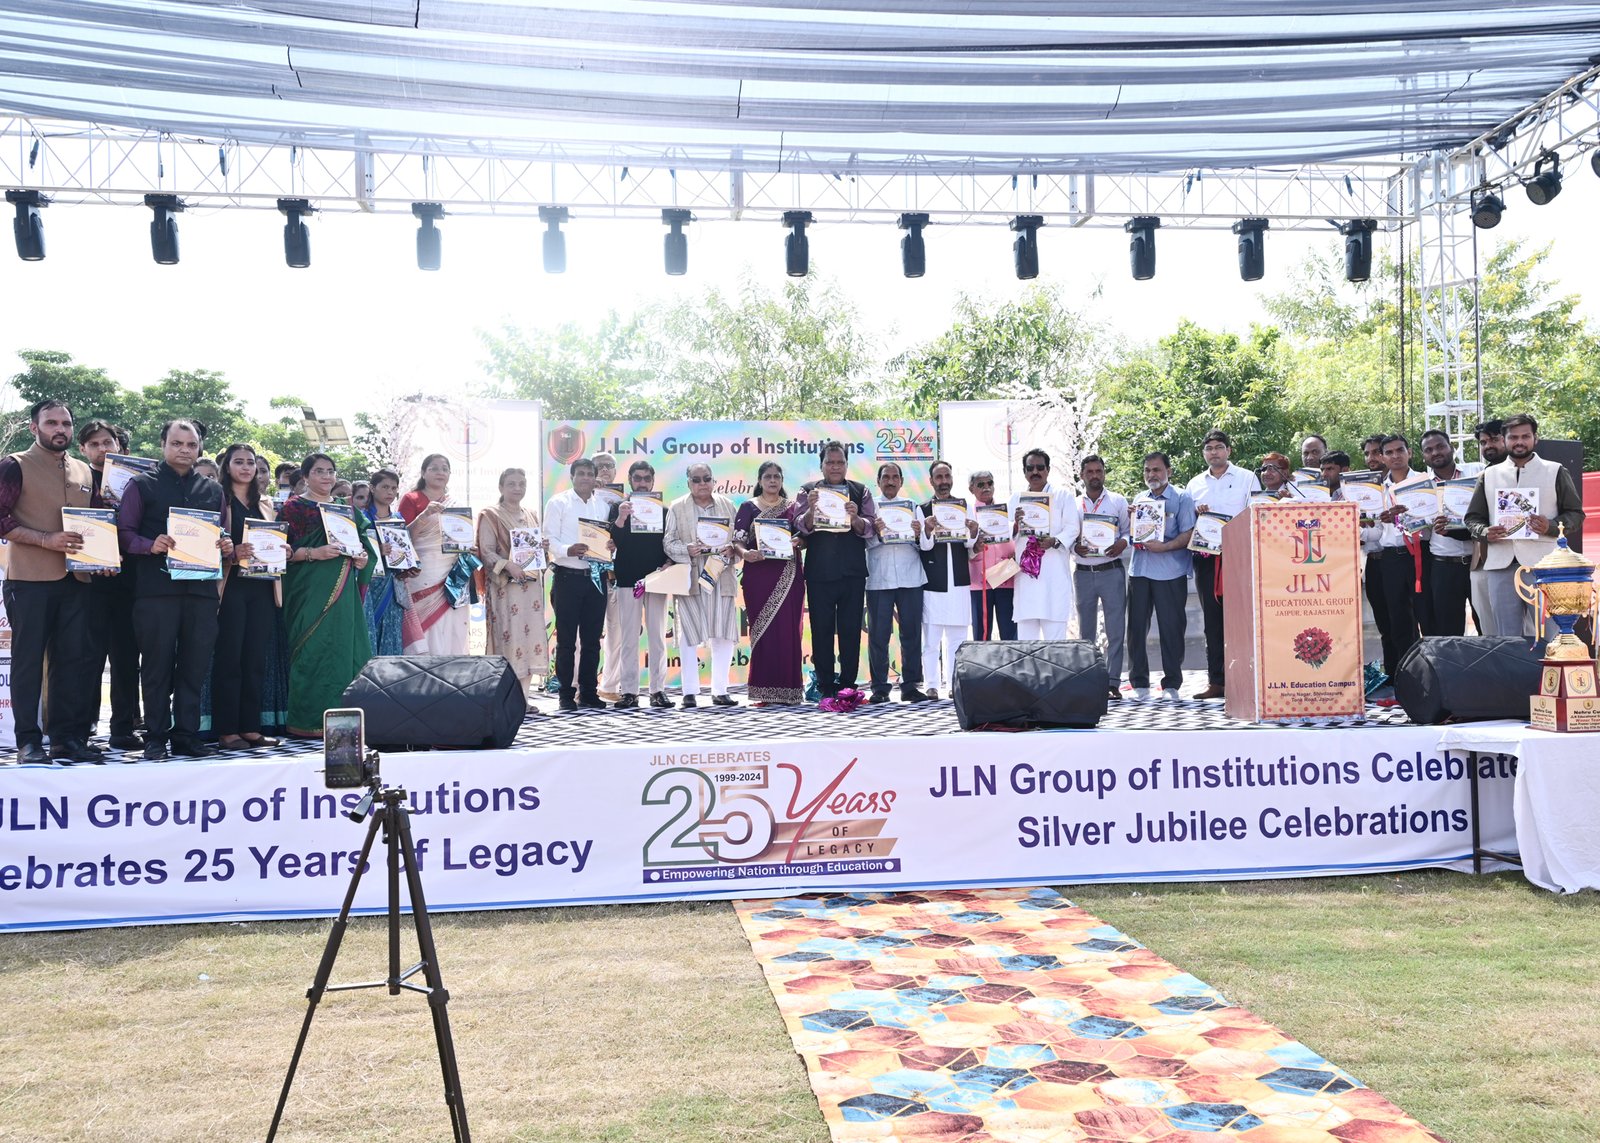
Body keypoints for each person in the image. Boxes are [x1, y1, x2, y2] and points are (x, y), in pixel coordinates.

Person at [116, 419, 229, 760]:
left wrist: (225, 544)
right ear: (163, 445)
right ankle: (155, 737)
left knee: (194, 668)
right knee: (156, 668)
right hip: (156, 592)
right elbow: (123, 533)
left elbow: (223, 533)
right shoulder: (142, 485)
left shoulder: (213, 490)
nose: (184, 450)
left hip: (201, 592)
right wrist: (149, 544)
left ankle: (186, 737)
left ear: (200, 448)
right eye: (177, 443)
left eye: (191, 445)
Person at [0, 399, 101, 764]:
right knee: (28, 662)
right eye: (52, 423)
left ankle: (65, 740)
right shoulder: (14, 465)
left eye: (66, 423)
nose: (60, 429)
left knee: (71, 661)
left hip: (77, 579)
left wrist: (103, 558)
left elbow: (96, 522)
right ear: (34, 428)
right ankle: (28, 743)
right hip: (29, 579)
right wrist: (46, 540)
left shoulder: (84, 471)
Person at [1465, 413, 1584, 638]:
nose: (1519, 442)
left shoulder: (1555, 470)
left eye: (1525, 436)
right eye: (1513, 437)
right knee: (1506, 637)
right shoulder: (1488, 475)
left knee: (1548, 634)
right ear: (1504, 440)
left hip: (1543, 566)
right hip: (1500, 565)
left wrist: (1550, 526)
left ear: (1535, 438)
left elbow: (1576, 514)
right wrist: (1485, 532)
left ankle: (1548, 664)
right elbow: (1472, 518)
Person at [281, 452, 373, 737]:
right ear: (305, 476)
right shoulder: (294, 508)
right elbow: (279, 552)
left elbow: (364, 546)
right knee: (312, 649)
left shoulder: (346, 509)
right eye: (319, 471)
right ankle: (306, 721)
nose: (326, 476)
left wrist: (362, 559)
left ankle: (344, 720)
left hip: (343, 592)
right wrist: (314, 553)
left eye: (330, 471)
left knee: (344, 650)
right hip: (307, 590)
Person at [77, 418, 143, 751]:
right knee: (88, 656)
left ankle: (123, 729)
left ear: (119, 446)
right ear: (83, 449)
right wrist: (97, 558)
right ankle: (82, 728)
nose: (102, 449)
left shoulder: (138, 482)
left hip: (131, 580)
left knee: (127, 657)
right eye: (95, 444)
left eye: (108, 442)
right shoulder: (77, 480)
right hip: (90, 581)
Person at [210, 443, 281, 750]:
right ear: (226, 467)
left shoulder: (264, 504)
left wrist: (282, 549)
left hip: (262, 586)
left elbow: (274, 540)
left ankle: (250, 727)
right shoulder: (216, 499)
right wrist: (231, 553)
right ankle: (227, 731)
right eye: (238, 462)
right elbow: (205, 544)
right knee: (230, 658)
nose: (246, 467)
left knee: (255, 659)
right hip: (230, 587)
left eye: (250, 462)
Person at [796, 440, 877, 697]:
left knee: (851, 631)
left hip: (853, 573)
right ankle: (826, 687)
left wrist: (855, 517)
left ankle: (848, 686)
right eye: (829, 462)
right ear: (821, 465)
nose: (835, 466)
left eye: (840, 462)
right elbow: (800, 526)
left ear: (847, 464)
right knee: (821, 631)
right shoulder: (808, 491)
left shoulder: (860, 491)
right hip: (820, 573)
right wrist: (811, 509)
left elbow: (870, 528)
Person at [1185, 430, 1260, 699]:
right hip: (1206, 558)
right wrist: (1196, 513)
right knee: (1212, 621)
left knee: (1241, 618)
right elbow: (1186, 521)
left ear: (1229, 450)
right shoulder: (1194, 484)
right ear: (1203, 453)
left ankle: (1245, 679)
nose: (1214, 452)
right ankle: (1216, 681)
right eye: (1209, 448)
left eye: (1219, 447)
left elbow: (1255, 513)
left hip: (1238, 556)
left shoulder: (1247, 478)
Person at [665, 463, 740, 707]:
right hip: (691, 577)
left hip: (721, 576)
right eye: (696, 480)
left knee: (723, 635)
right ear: (688, 483)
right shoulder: (677, 507)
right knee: (689, 635)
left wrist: (732, 549)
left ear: (714, 480)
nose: (702, 483)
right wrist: (686, 549)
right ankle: (689, 692)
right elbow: (668, 543)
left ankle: (720, 690)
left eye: (706, 478)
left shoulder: (727, 505)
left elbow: (740, 540)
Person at [733, 461, 807, 706]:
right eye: (768, 476)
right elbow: (738, 540)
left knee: (788, 631)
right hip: (758, 576)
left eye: (777, 476)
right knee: (762, 631)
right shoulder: (748, 507)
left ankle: (789, 691)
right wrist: (745, 554)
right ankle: (762, 691)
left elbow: (804, 537)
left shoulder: (793, 508)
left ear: (782, 480)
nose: (773, 481)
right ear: (760, 480)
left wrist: (799, 542)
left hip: (788, 576)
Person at [1125, 452, 1195, 701]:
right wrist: (1132, 520)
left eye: (1156, 469)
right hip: (1140, 570)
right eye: (1147, 470)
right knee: (1135, 628)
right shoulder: (1139, 499)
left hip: (1170, 572)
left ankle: (1171, 685)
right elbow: (1133, 536)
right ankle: (1139, 683)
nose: (1151, 474)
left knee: (1171, 629)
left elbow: (1188, 533)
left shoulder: (1182, 498)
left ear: (1169, 471)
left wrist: (1164, 547)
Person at [544, 457, 612, 710]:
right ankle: (565, 693)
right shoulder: (558, 502)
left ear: (595, 478)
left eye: (589, 474)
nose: (585, 478)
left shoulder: (602, 506)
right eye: (580, 473)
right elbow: (549, 539)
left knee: (592, 640)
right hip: (567, 577)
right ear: (572, 476)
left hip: (596, 579)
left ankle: (588, 692)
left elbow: (607, 540)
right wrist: (567, 550)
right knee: (566, 640)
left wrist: (611, 546)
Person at [477, 467, 548, 700]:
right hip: (506, 588)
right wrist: (508, 565)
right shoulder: (490, 515)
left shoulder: (531, 515)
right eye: (511, 484)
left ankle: (524, 699)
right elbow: (486, 551)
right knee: (510, 638)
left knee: (531, 639)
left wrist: (543, 548)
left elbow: (536, 553)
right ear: (501, 487)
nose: (517, 488)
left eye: (521, 484)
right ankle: (506, 701)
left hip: (531, 588)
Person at [864, 461, 930, 704]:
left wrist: (918, 534)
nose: (890, 481)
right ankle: (880, 688)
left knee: (911, 633)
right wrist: (877, 533)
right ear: (878, 482)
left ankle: (911, 686)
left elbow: (926, 545)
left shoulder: (912, 506)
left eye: (895, 477)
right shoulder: (870, 508)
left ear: (901, 481)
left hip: (910, 577)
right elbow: (864, 542)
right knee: (878, 636)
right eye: (886, 477)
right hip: (879, 578)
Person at [607, 460, 670, 708]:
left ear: (653, 481)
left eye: (646, 478)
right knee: (629, 638)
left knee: (657, 637)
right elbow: (612, 542)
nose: (642, 483)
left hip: (657, 580)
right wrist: (622, 518)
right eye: (637, 478)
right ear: (630, 481)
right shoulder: (617, 508)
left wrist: (668, 563)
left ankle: (658, 691)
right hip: (627, 580)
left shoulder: (664, 511)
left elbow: (669, 543)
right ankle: (629, 692)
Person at [398, 453, 472, 655]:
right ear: (423, 473)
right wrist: (425, 516)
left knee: (452, 621)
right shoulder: (411, 499)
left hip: (452, 570)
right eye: (434, 468)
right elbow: (402, 538)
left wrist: (468, 547)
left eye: (445, 469)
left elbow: (460, 537)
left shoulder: (454, 503)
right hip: (424, 570)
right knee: (426, 623)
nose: (440, 472)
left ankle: (451, 665)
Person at [1365, 434, 1424, 682]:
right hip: (1390, 559)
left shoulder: (1424, 481)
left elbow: (1434, 521)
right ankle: (1402, 678)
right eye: (1389, 452)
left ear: (1410, 452)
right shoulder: (1377, 489)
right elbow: (1376, 531)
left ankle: (1430, 676)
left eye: (1400, 450)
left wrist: (1409, 518)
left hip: (1421, 555)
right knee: (1397, 621)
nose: (1395, 456)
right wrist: (1354, 524)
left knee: (1426, 618)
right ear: (1382, 457)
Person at [1072, 454, 1130, 702]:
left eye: (1099, 471)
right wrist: (1074, 547)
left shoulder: (1118, 501)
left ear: (1104, 473)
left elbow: (1128, 531)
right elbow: (1070, 535)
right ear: (1082, 475)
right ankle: (1087, 681)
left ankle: (1113, 682)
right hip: (1084, 573)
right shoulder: (1074, 504)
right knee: (1086, 632)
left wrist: (1122, 543)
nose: (1095, 476)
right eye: (1090, 472)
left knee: (1115, 630)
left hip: (1111, 570)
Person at [1008, 448, 1080, 640]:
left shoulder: (1063, 496)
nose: (1035, 472)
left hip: (1053, 576)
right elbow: (1006, 533)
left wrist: (1054, 541)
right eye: (1030, 468)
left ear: (1048, 470)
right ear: (1024, 471)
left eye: (1040, 467)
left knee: (1055, 644)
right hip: (1026, 580)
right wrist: (1015, 525)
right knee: (1026, 643)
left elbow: (1073, 528)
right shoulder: (1016, 498)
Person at [919, 460, 976, 698]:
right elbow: (923, 546)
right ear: (931, 481)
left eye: (947, 476)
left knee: (957, 638)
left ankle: (954, 684)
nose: (944, 482)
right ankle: (931, 684)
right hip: (934, 579)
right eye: (939, 477)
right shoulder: (923, 509)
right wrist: (928, 530)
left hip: (959, 579)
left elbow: (970, 545)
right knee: (931, 639)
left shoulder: (964, 506)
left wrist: (973, 533)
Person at [1418, 429, 1473, 638]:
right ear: (1423, 455)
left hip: (1478, 564)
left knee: (1488, 626)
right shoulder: (1420, 487)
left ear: (1451, 447)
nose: (1435, 452)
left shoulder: (1475, 474)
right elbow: (1421, 533)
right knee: (1448, 632)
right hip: (1443, 566)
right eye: (1429, 450)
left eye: (1440, 446)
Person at [361, 468, 412, 656]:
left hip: (393, 584)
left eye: (394, 488)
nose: (390, 492)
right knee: (369, 628)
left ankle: (390, 671)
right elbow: (355, 549)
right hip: (370, 582)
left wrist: (411, 566)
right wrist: (376, 550)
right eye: (385, 487)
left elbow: (406, 549)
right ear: (372, 488)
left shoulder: (398, 518)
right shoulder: (362, 518)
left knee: (392, 629)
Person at [1468, 418, 1508, 635]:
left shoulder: (1531, 471)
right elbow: (1472, 518)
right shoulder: (1480, 477)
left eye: (1494, 439)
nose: (1488, 446)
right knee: (1488, 628)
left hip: (1523, 561)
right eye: (1483, 442)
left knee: (1528, 629)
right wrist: (1483, 531)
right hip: (1483, 559)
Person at [967, 470, 1017, 641]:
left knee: (1010, 635)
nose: (986, 487)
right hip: (979, 583)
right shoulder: (967, 515)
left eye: (990, 483)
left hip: (1006, 579)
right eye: (981, 484)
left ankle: (1010, 661)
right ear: (971, 489)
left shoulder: (1007, 511)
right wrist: (975, 548)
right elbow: (963, 551)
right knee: (981, 637)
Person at [592, 452, 625, 702]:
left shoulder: (627, 501)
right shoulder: (580, 498)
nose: (605, 470)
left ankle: (610, 685)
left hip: (616, 575)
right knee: (585, 634)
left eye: (609, 466)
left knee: (617, 633)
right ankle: (580, 684)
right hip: (587, 573)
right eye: (599, 466)